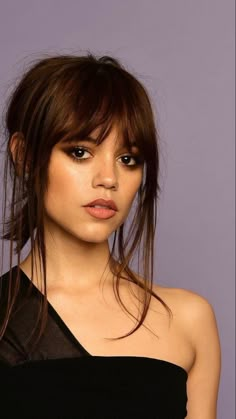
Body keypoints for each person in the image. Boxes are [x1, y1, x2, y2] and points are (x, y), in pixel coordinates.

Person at [0, 53, 221, 418]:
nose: (108, 178)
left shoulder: (188, 319)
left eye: (128, 159)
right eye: (80, 152)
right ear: (24, 156)